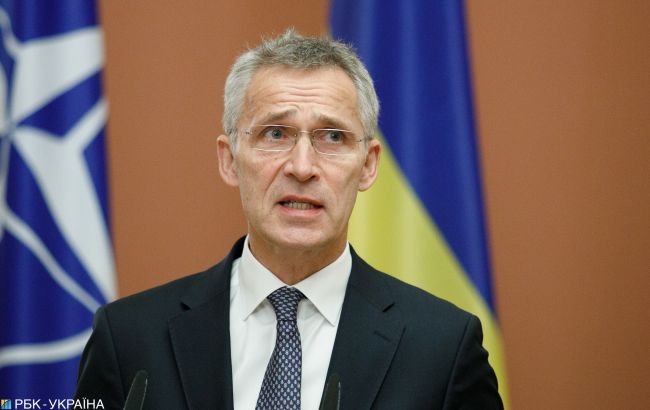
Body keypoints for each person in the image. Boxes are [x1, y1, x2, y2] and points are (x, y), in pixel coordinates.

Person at [75, 30, 503, 410]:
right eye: (275, 133)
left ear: (369, 165)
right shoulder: (129, 338)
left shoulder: (442, 348)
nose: (302, 167)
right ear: (229, 159)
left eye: (332, 136)